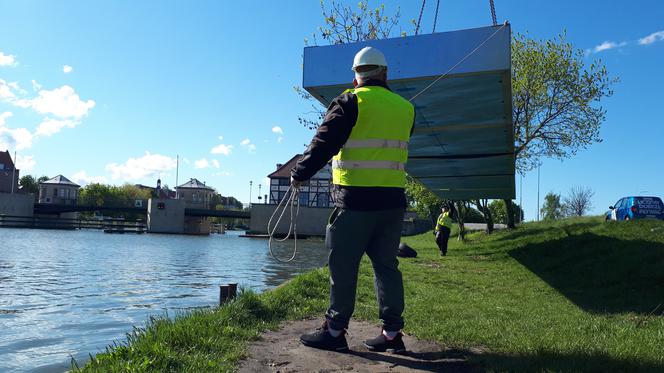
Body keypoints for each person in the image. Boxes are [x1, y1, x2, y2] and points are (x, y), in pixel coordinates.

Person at [291, 46, 414, 353]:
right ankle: (391, 334)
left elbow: (324, 141)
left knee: (343, 267)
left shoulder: (349, 101)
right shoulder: (406, 108)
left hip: (355, 202)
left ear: (356, 76)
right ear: (385, 73)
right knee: (387, 266)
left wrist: (300, 172)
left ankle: (334, 332)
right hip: (392, 204)